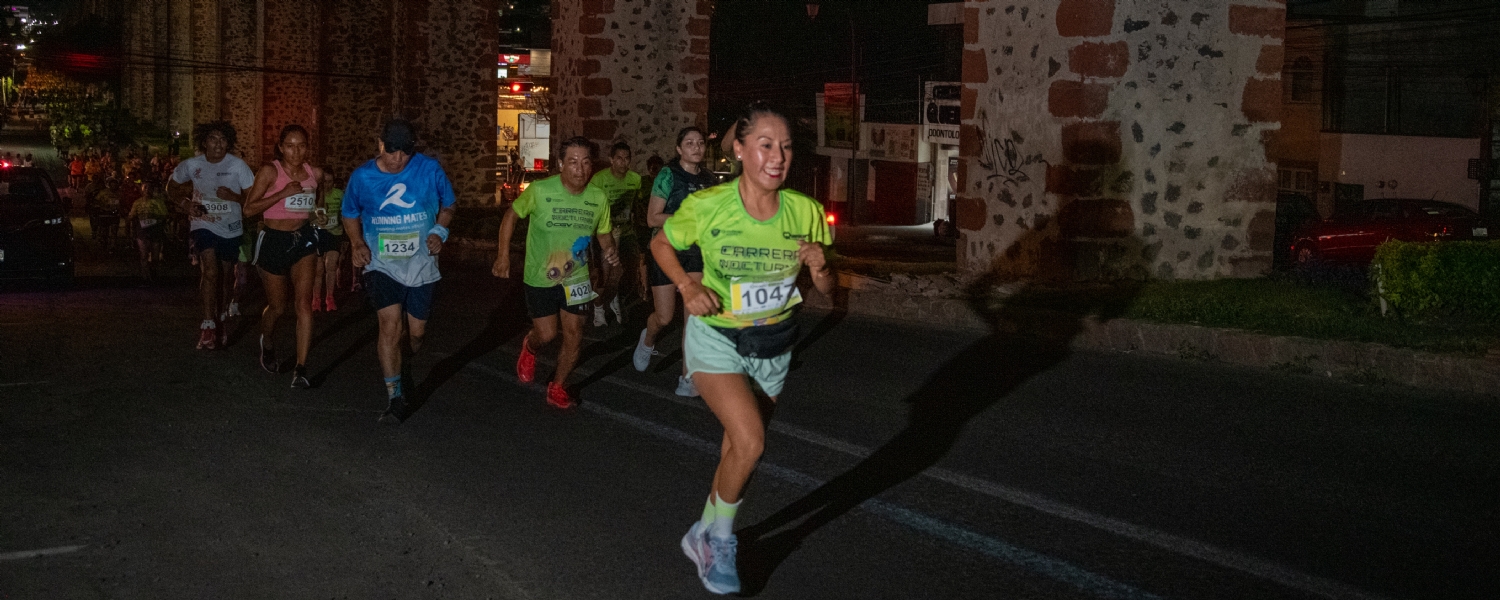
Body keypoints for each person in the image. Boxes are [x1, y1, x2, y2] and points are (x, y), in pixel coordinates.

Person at [657, 103, 833, 595]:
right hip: (716, 335)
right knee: (752, 441)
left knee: (738, 447)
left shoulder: (806, 212)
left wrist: (820, 270)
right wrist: (686, 289)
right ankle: (719, 538)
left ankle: (701, 531)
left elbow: (830, 293)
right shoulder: (710, 204)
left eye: (786, 147)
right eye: (765, 145)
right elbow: (660, 244)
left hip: (773, 344)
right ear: (739, 149)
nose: (778, 157)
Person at [342, 119, 457, 424]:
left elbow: (449, 205)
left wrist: (439, 232)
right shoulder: (362, 177)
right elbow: (350, 213)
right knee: (390, 327)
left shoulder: (429, 169)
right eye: (392, 152)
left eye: (405, 154)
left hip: (421, 264)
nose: (398, 160)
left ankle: (401, 360)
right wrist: (356, 243)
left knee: (416, 334)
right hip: (381, 264)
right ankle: (395, 397)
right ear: (380, 145)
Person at [492, 136, 620, 409]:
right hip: (540, 276)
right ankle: (531, 346)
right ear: (561, 164)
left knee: (575, 333)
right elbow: (511, 215)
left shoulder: (598, 198)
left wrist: (610, 250)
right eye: (573, 162)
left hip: (577, 277)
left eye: (586, 163)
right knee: (547, 334)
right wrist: (503, 255)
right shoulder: (540, 190)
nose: (580, 169)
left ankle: (557, 386)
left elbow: (604, 234)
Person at [632, 127, 715, 396]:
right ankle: (648, 338)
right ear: (679, 149)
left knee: (694, 319)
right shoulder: (668, 175)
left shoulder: (709, 180)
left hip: (695, 254)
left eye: (700, 143)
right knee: (665, 317)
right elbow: (652, 218)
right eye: (689, 143)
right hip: (666, 251)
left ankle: (687, 377)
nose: (696, 147)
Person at [242, 124, 324, 387]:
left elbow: (314, 205)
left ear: (308, 148)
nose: (296, 150)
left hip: (303, 240)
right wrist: (282, 193)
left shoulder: (315, 173)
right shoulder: (269, 171)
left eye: (301, 145)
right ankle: (267, 339)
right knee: (278, 306)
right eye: (290, 145)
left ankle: (300, 368)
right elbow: (248, 209)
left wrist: (317, 214)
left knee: (303, 304)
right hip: (274, 240)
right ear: (280, 147)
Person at [169, 121, 256, 350]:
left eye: (223, 139)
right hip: (203, 222)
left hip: (231, 226)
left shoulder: (238, 166)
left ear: (229, 142)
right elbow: (171, 187)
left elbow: (254, 199)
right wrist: (186, 204)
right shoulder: (192, 164)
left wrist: (233, 197)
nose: (218, 144)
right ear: (204, 142)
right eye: (213, 139)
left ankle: (221, 319)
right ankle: (207, 325)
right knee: (210, 270)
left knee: (226, 276)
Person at [587, 141, 643, 326]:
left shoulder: (635, 179)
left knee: (630, 272)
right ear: (611, 160)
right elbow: (591, 207)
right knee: (606, 275)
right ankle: (599, 306)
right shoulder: (599, 180)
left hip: (627, 232)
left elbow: (637, 206)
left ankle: (614, 297)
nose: (623, 162)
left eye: (627, 159)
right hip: (606, 234)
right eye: (619, 158)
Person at [312, 169, 348, 312]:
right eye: (324, 182)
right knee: (319, 269)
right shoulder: (314, 196)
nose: (328, 185)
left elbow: (345, 213)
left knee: (331, 265)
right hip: (318, 233)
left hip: (334, 232)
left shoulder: (339, 194)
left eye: (330, 182)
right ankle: (316, 299)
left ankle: (330, 298)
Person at [129, 180, 169, 282]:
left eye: (149, 188)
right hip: (142, 232)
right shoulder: (137, 202)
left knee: (155, 257)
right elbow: (132, 215)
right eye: (145, 188)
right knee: (143, 255)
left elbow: (165, 215)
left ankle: (153, 272)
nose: (147, 190)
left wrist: (155, 218)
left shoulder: (158, 202)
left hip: (155, 231)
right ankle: (145, 277)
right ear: (141, 189)